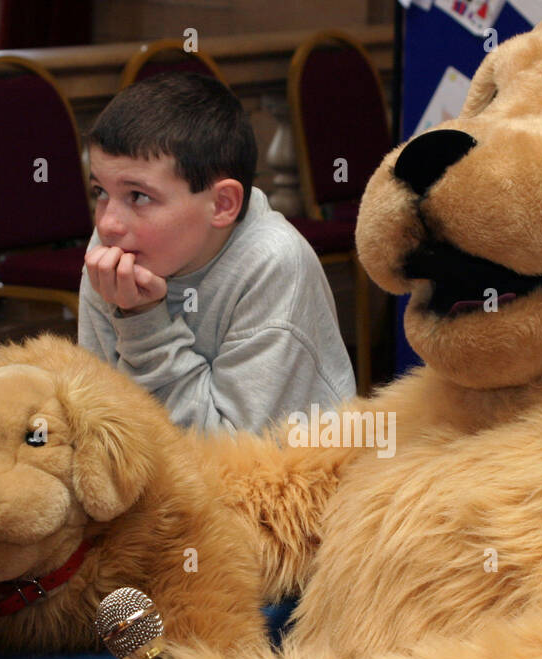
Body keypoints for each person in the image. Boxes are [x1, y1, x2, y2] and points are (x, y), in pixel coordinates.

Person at [78, 72, 356, 433]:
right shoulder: (114, 247)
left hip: (292, 481)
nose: (109, 223)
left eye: (138, 196)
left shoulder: (273, 263)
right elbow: (96, 416)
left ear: (222, 204)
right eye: (100, 191)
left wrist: (142, 320)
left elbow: (226, 459)